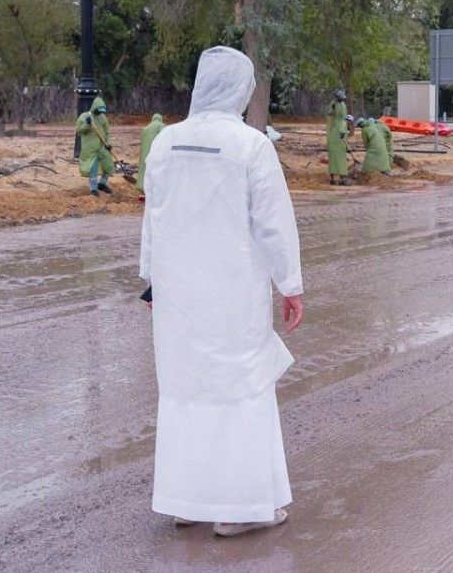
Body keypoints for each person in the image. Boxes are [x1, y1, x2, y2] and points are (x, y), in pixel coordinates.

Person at [140, 46, 303, 537]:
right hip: (233, 293)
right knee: (242, 389)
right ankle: (240, 510)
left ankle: (186, 502)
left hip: (178, 295)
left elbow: (152, 217)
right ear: (240, 90)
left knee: (185, 388)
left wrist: (150, 278)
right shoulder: (251, 146)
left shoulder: (165, 143)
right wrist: (290, 285)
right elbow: (274, 224)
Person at [76, 96, 114, 197]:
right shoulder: (85, 116)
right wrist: (87, 124)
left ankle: (102, 184)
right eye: (98, 110)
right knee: (93, 169)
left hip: (103, 147)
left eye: (101, 111)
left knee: (108, 166)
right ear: (94, 108)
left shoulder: (103, 118)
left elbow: (107, 132)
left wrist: (109, 143)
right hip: (90, 148)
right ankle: (93, 189)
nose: (100, 112)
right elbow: (79, 130)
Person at [136, 113, 165, 196]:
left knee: (144, 169)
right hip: (155, 152)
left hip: (144, 153)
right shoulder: (161, 125)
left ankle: (142, 187)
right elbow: (164, 138)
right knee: (155, 171)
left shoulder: (146, 128)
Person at [326, 89, 350, 186]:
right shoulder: (333, 104)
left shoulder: (343, 104)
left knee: (341, 157)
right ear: (337, 97)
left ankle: (340, 178)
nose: (342, 99)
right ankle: (334, 178)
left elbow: (343, 119)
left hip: (341, 132)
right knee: (333, 156)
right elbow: (329, 114)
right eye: (340, 98)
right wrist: (332, 108)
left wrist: (344, 131)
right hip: (336, 132)